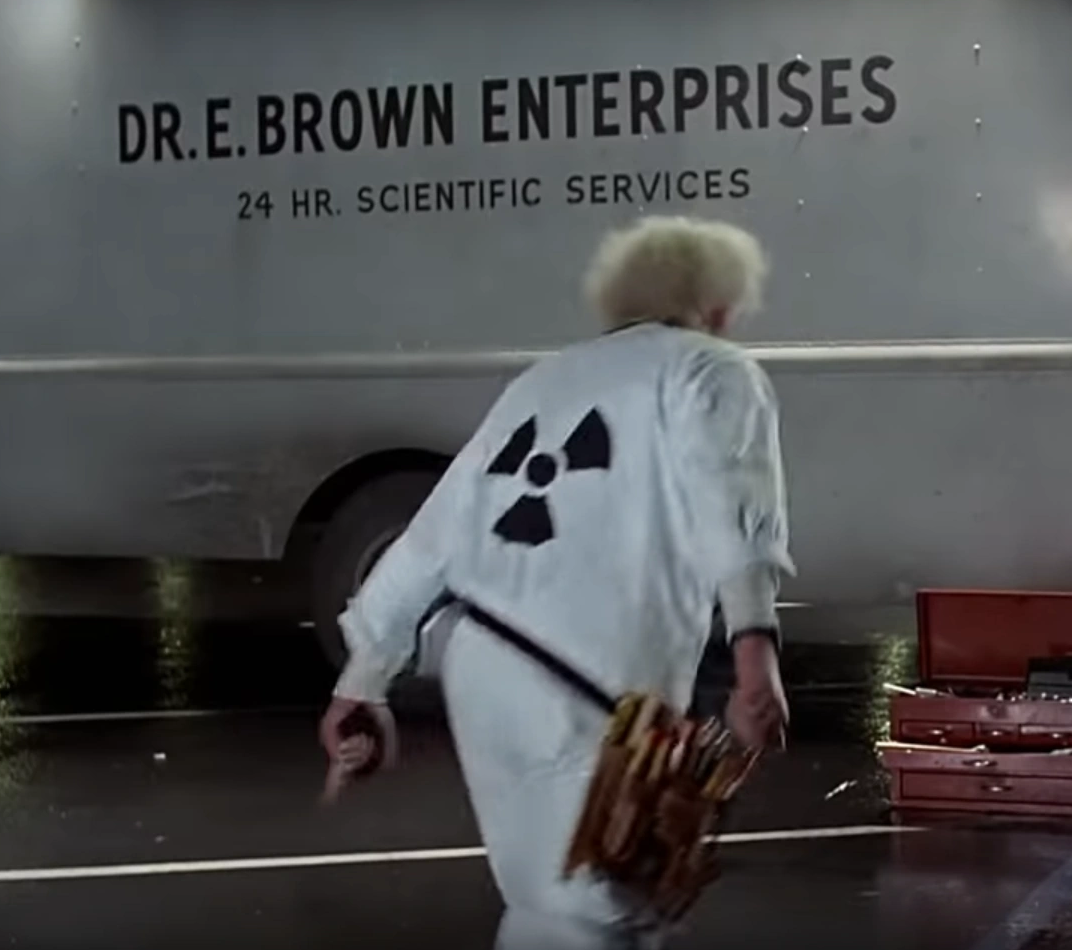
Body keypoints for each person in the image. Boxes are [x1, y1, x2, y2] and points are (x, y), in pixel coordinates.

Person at [317, 215, 795, 949]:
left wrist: (363, 680)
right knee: (605, 902)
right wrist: (756, 656)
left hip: (485, 665)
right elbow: (735, 513)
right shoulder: (712, 369)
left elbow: (433, 537)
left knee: (550, 899)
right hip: (588, 678)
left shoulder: (543, 380)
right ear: (720, 305)